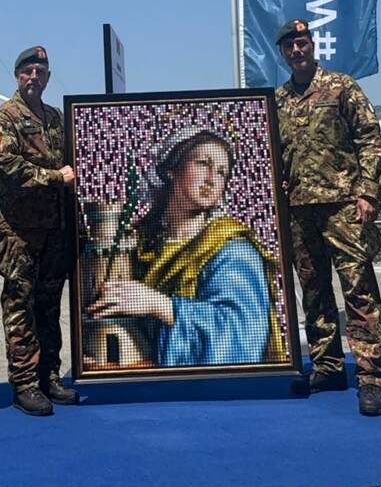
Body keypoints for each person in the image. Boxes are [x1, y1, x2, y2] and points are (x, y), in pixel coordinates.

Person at [87, 127, 286, 369]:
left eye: (222, 173)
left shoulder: (233, 250)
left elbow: (243, 336)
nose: (212, 179)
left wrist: (160, 305)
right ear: (171, 170)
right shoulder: (141, 244)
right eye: (203, 164)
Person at [274, 17, 381, 417]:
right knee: (314, 291)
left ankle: (370, 376)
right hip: (299, 210)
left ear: (312, 45)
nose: (297, 50)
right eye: (289, 46)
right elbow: (273, 153)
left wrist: (368, 192)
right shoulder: (278, 100)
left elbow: (369, 140)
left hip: (344, 206)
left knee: (358, 290)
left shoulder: (342, 87)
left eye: (302, 43)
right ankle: (327, 366)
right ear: (282, 53)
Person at [0, 46, 78, 416]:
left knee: (49, 305)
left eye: (40, 71)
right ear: (17, 76)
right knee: (20, 306)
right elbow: (5, 164)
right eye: (27, 71)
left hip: (55, 229)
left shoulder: (56, 119)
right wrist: (54, 177)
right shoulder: (4, 117)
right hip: (19, 232)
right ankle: (24, 383)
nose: (33, 77)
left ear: (48, 77)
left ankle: (49, 376)